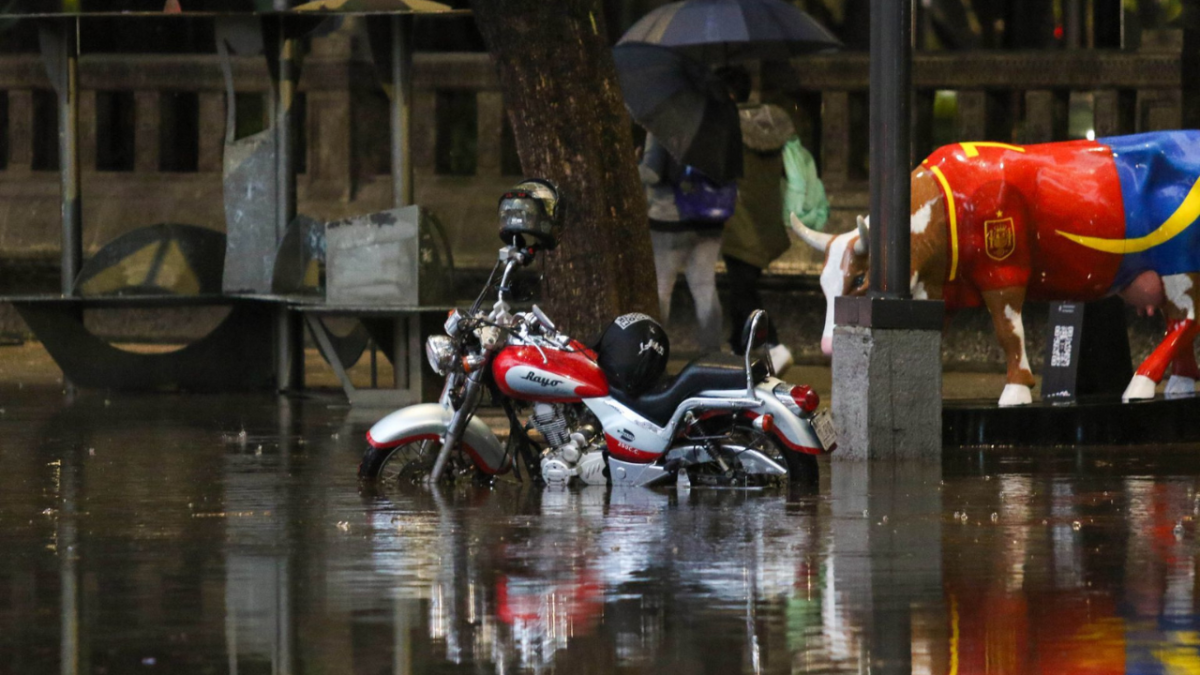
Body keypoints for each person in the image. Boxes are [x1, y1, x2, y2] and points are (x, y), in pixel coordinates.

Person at [722, 102, 828, 372]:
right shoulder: (772, 131)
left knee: (743, 291)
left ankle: (775, 345)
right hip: (764, 221)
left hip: (741, 222)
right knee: (740, 289)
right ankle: (736, 348)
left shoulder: (732, 133)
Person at [639, 133, 727, 353]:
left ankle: (653, 352)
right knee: (705, 287)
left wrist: (635, 164)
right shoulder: (714, 126)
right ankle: (712, 354)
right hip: (709, 219)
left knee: (661, 288)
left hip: (669, 219)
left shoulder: (663, 125)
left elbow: (652, 173)